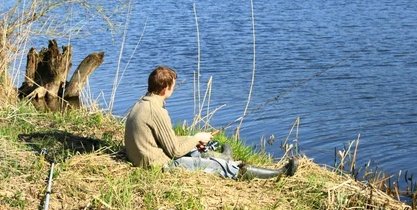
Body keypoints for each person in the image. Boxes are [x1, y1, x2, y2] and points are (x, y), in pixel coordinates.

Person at [124, 66, 298, 179]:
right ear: (164, 89)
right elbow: (175, 151)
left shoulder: (142, 103)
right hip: (157, 165)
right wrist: (196, 137)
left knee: (193, 149)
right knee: (221, 167)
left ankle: (225, 156)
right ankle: (280, 173)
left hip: (145, 157)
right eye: (172, 87)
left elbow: (165, 139)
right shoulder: (157, 111)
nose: (173, 90)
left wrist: (193, 139)